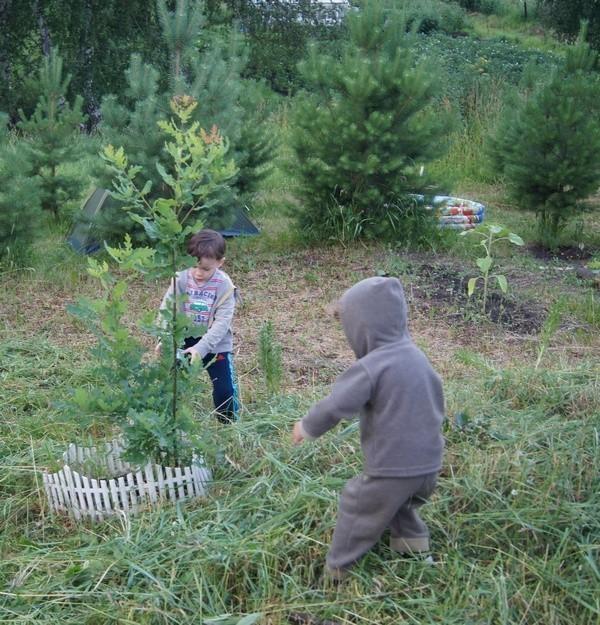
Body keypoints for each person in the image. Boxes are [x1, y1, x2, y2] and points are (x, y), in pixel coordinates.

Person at [292, 276, 445, 579]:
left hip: (392, 468)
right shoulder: (417, 357)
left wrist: (307, 427)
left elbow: (336, 405)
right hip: (429, 467)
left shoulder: (372, 366)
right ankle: (414, 555)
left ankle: (336, 571)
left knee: (358, 505)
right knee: (402, 506)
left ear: (362, 327)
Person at [157, 228, 239, 423]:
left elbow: (221, 325)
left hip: (214, 344)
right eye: (195, 266)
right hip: (183, 340)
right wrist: (164, 338)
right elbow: (167, 309)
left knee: (224, 390)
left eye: (206, 269)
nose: (198, 273)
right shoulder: (181, 279)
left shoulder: (225, 286)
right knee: (171, 385)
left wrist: (200, 349)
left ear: (220, 263)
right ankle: (168, 423)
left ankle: (228, 425)